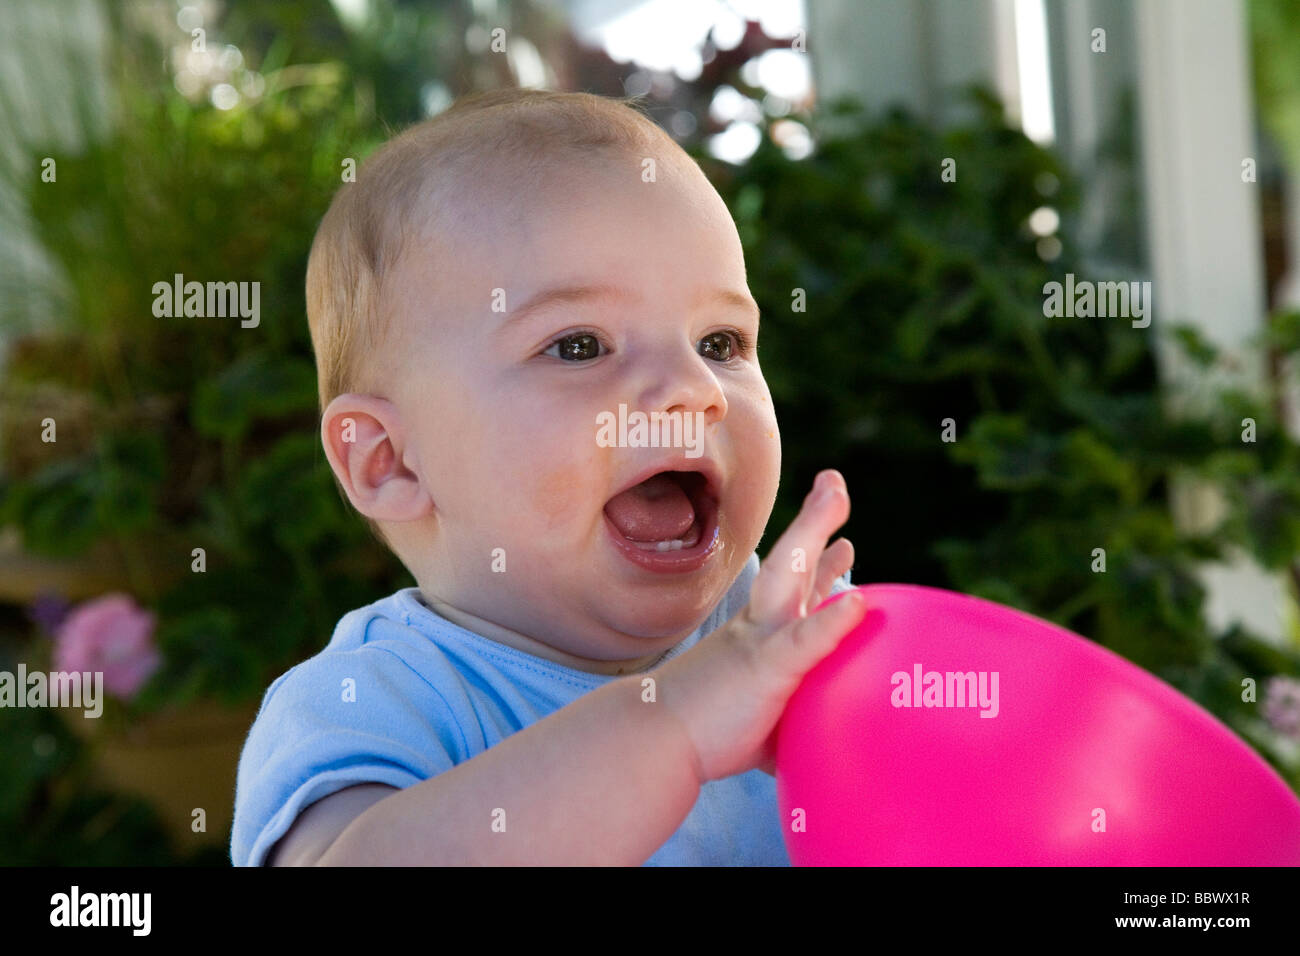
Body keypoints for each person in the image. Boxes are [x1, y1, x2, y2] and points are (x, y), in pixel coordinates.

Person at [230, 88, 862, 866]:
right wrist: (673, 728)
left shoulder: (781, 642)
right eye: (578, 346)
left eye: (721, 340)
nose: (693, 388)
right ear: (389, 461)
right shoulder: (376, 703)